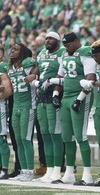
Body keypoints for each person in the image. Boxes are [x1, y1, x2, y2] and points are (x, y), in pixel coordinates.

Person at [51, 32, 96, 185]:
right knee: (67, 137)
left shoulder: (85, 53)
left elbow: (91, 79)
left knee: (81, 135)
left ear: (76, 41)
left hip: (80, 96)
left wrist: (79, 99)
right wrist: (56, 93)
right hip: (66, 97)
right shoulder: (65, 53)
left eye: (68, 44)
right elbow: (60, 77)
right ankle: (69, 173)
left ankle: (87, 174)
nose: (66, 47)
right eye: (64, 45)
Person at [33, 31, 65, 182]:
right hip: (41, 97)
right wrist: (34, 80)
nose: (47, 40)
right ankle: (49, 169)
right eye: (46, 38)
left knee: (55, 134)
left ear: (58, 40)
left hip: (55, 96)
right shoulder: (41, 53)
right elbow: (36, 71)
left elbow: (66, 74)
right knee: (45, 134)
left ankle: (57, 170)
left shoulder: (63, 53)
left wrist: (52, 82)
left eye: (51, 38)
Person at [80, 40, 100, 186]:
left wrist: (92, 83)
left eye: (97, 55)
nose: (95, 59)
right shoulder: (97, 65)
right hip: (98, 107)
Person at [7, 43, 37, 181]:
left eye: (16, 49)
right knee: (18, 140)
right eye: (12, 49)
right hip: (16, 107)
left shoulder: (28, 63)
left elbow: (39, 68)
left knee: (26, 139)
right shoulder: (11, 68)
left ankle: (30, 171)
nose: (12, 51)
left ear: (23, 52)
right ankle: (23, 170)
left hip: (28, 107)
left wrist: (34, 74)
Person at [0, 46, 13, 179]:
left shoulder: (2, 66)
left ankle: (4, 168)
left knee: (1, 138)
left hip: (1, 106)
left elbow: (8, 90)